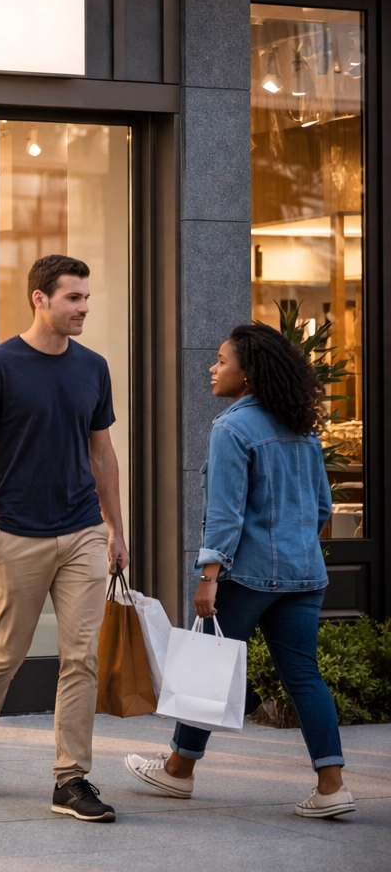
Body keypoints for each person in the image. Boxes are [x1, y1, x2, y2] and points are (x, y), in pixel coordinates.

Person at [125, 325, 352, 818]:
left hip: (247, 575)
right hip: (304, 574)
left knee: (206, 665)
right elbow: (321, 507)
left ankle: (178, 771)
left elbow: (225, 515)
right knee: (304, 676)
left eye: (222, 361)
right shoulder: (302, 428)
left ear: (247, 374)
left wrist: (209, 577)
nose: (212, 368)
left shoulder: (232, 429)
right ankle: (332, 786)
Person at [0, 254, 129, 823]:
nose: (84, 308)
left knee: (80, 657)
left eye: (86, 297)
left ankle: (70, 779)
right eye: (73, 298)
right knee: (7, 650)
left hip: (82, 532)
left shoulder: (93, 368)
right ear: (40, 298)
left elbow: (102, 454)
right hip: (16, 533)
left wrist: (115, 528)